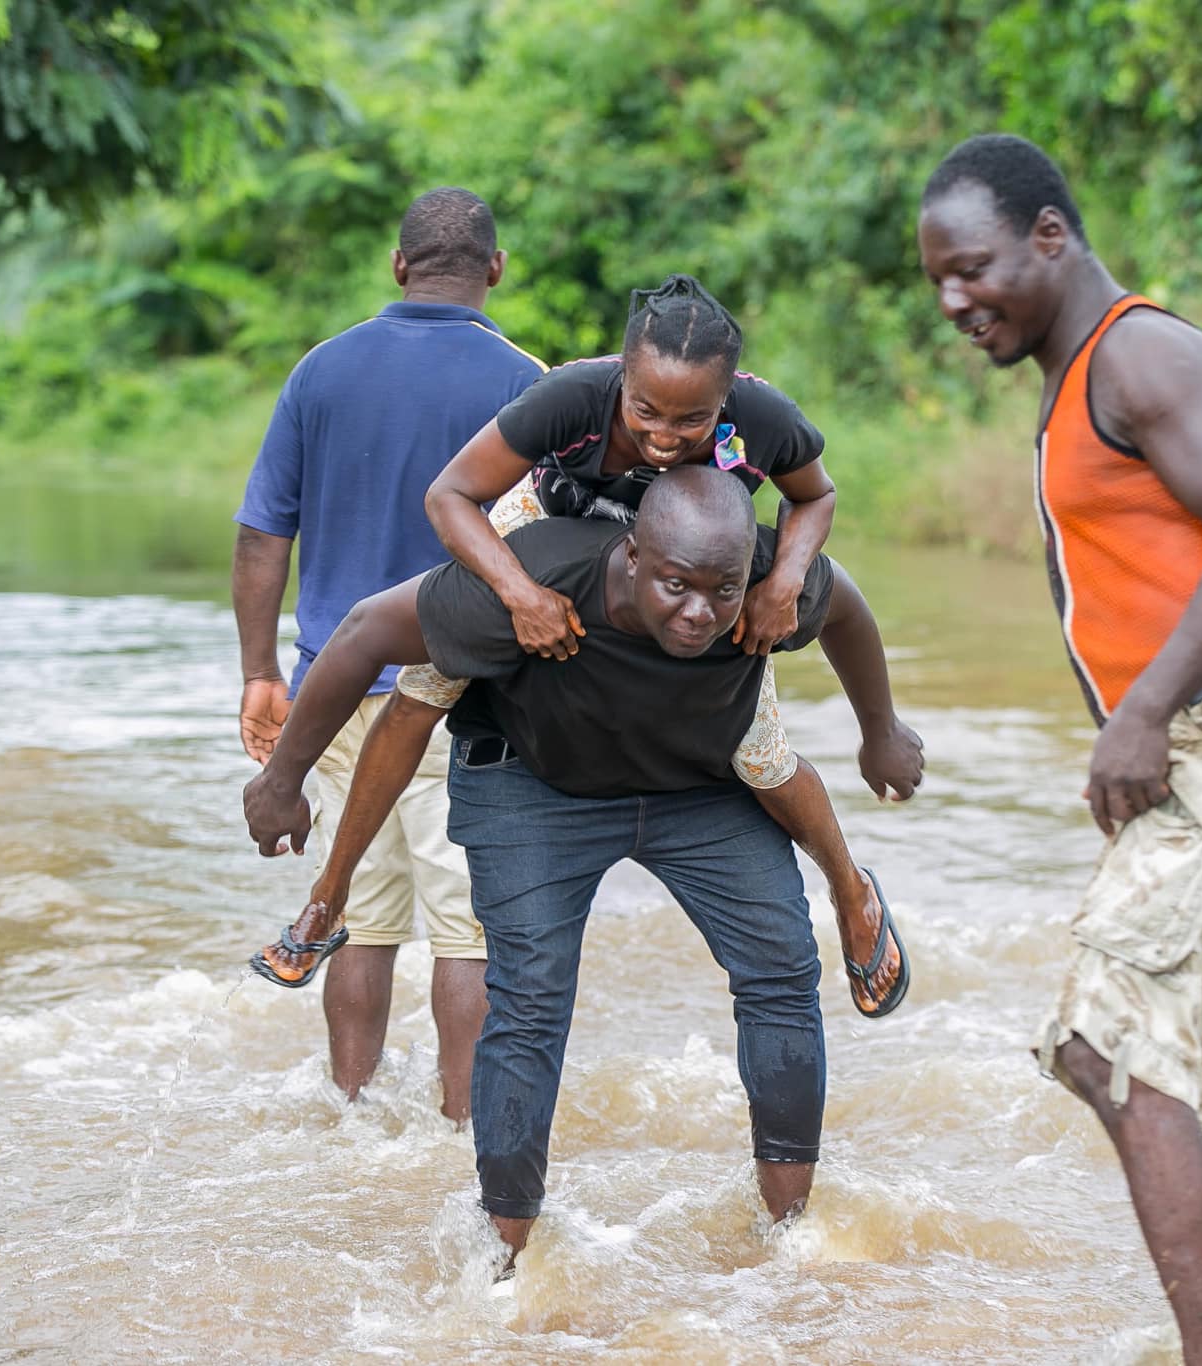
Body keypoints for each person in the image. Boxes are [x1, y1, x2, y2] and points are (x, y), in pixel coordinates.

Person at [917, 134, 1202, 1365]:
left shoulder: (1136, 352)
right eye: (937, 284)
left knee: (1106, 1043)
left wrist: (1141, 715)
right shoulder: (1084, 377)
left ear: (1049, 237)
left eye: (971, 269)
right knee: (1199, 1080)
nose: (955, 302)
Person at [242, 466, 910, 1268]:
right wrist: (308, 832)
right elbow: (388, 682)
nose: (699, 613)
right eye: (676, 588)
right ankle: (505, 1257)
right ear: (629, 559)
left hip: (698, 776)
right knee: (527, 1000)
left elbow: (844, 605)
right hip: (536, 781)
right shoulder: (522, 575)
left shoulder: (757, 579)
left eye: (720, 591)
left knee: (779, 964)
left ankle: (791, 1232)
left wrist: (882, 730)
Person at [409, 274, 922, 1017]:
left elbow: (816, 496)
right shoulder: (570, 399)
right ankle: (330, 896)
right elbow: (450, 496)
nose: (665, 435)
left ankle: (849, 890)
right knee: (432, 677)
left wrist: (784, 581)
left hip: (694, 565)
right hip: (562, 524)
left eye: (694, 419)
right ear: (621, 378)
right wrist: (520, 594)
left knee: (759, 756)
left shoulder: (761, 415)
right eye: (646, 409)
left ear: (725, 405)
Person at [231, 188, 545, 1124]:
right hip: (469, 697)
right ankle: (461, 1134)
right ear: (494, 270)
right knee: (467, 933)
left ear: (398, 267)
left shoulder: (320, 372)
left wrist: (260, 673)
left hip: (336, 689)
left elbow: (261, 536)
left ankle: (351, 1114)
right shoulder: (528, 381)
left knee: (358, 922)